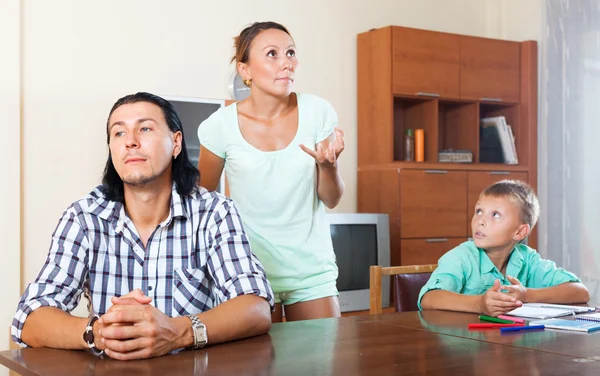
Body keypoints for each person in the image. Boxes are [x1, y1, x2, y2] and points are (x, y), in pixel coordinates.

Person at [12, 92, 274, 360]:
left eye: (145, 128)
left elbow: (255, 308)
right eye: (119, 133)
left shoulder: (215, 213)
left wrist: (178, 332)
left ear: (175, 143)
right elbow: (29, 317)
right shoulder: (84, 218)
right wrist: (98, 332)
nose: (131, 142)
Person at [197, 21, 345, 322]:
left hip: (311, 270)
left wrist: (328, 167)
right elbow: (204, 202)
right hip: (248, 271)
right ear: (245, 70)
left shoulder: (317, 112)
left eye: (290, 53)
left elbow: (331, 199)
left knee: (323, 366)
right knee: (262, 366)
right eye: (273, 54)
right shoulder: (219, 127)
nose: (286, 63)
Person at [419, 179, 589, 316]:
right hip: (465, 350)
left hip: (510, 346)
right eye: (479, 211)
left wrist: (527, 295)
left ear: (520, 232)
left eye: (495, 215)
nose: (481, 221)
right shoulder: (461, 257)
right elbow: (429, 298)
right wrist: (479, 304)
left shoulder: (527, 259)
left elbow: (580, 291)